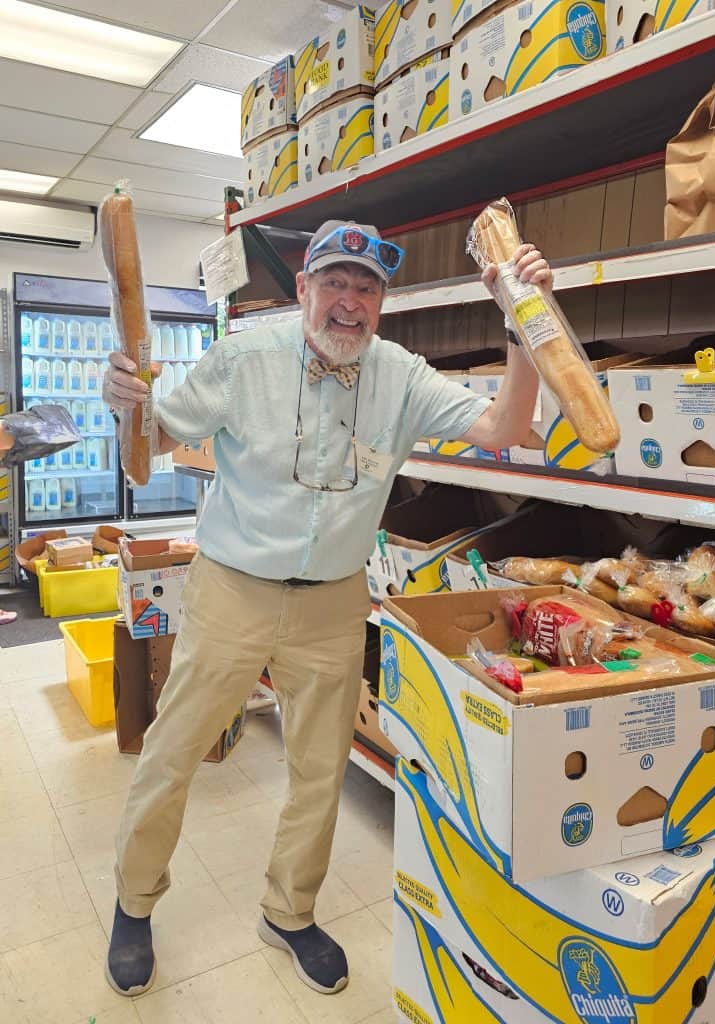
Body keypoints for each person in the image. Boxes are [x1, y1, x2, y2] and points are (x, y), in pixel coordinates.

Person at [101, 219, 552, 998]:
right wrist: (125, 405)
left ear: (382, 303)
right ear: (303, 290)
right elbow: (150, 454)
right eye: (334, 283)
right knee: (173, 756)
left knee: (318, 773)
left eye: (366, 288)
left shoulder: (401, 376)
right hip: (232, 590)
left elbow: (507, 429)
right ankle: (134, 903)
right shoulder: (244, 359)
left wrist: (521, 320)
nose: (349, 303)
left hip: (335, 604)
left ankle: (290, 911)